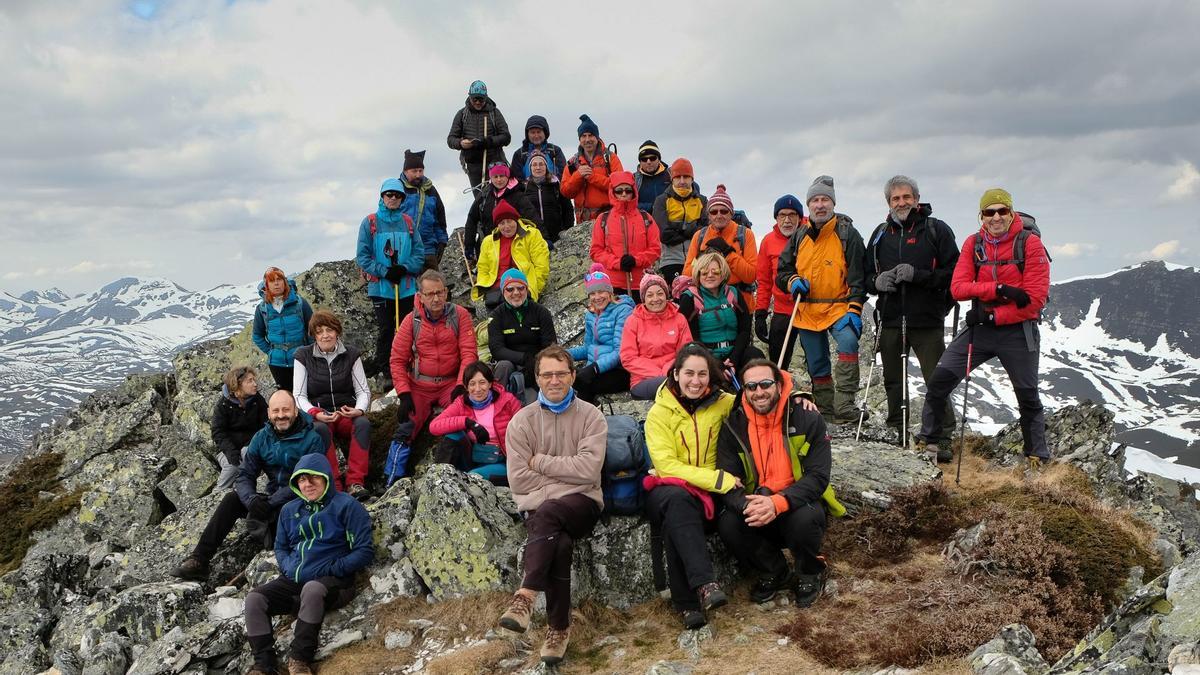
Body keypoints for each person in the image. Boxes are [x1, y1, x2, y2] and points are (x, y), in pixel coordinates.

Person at [915, 188, 1050, 469]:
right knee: (939, 381)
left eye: (1002, 211)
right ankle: (927, 441)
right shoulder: (973, 243)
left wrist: (992, 315)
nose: (996, 217)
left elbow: (1034, 301)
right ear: (982, 216)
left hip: (1016, 331)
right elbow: (958, 287)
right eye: (990, 212)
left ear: (1012, 213)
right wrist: (1000, 289)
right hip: (981, 328)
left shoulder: (1030, 244)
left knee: (1027, 396)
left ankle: (1037, 457)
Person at [498, 345, 607, 667]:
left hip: (582, 504)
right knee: (558, 544)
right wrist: (564, 478)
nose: (555, 380)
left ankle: (526, 596)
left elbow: (589, 471)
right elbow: (519, 479)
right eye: (547, 374)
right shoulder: (521, 421)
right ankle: (559, 629)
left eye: (561, 373)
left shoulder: (592, 416)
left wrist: (540, 462)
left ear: (573, 376)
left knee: (549, 513)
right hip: (540, 506)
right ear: (537, 378)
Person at [715, 359, 845, 608]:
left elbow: (818, 476)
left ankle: (809, 572)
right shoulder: (733, 426)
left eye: (765, 384)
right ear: (743, 390)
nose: (759, 392)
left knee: (805, 519)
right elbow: (726, 478)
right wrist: (748, 506)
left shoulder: (806, 416)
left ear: (779, 384)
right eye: (751, 386)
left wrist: (777, 502)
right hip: (757, 503)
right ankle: (773, 570)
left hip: (796, 502)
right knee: (729, 523)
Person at [172, 390, 326, 582]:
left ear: (295, 410)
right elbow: (245, 474)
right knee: (231, 500)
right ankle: (199, 560)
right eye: (276, 411)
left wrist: (271, 502)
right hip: (270, 500)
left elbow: (308, 480)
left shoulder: (312, 439)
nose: (280, 415)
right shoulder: (262, 438)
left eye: (286, 410)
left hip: (299, 502)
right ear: (269, 413)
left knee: (286, 512)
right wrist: (251, 499)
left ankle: (278, 549)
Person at [244, 453, 374, 675]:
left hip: (334, 582)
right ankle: (264, 665)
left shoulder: (347, 506)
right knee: (255, 599)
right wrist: (287, 567)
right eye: (301, 480)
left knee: (312, 590)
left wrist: (333, 568)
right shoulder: (288, 511)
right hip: (294, 581)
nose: (307, 484)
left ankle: (299, 661)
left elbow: (364, 551)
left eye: (313, 478)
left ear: (326, 478)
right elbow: (281, 547)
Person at [643, 343, 738, 628]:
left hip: (701, 493)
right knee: (676, 500)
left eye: (702, 374)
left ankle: (687, 606)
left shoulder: (723, 402)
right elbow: (667, 466)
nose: (695, 381)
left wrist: (796, 394)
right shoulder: (659, 413)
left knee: (678, 519)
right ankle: (706, 583)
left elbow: (760, 398)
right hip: (665, 486)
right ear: (675, 373)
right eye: (689, 374)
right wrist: (718, 480)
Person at [865, 176, 960, 453]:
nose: (901, 203)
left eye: (906, 197)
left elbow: (954, 273)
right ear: (888, 203)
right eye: (895, 199)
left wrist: (919, 276)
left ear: (917, 199)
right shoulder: (881, 234)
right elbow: (865, 275)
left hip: (927, 319)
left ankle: (941, 438)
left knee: (936, 379)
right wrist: (877, 282)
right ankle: (897, 431)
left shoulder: (936, 230)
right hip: (890, 318)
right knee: (893, 379)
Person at [775, 175, 867, 423]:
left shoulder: (848, 234)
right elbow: (782, 272)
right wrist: (792, 281)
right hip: (806, 309)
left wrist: (855, 309)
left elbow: (859, 276)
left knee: (848, 343)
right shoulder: (799, 235)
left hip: (839, 308)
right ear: (809, 205)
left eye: (825, 199)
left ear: (833, 203)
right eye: (815, 200)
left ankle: (845, 405)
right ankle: (825, 410)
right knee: (817, 361)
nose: (820, 205)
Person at [389, 270, 478, 473]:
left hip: (450, 383)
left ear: (446, 292)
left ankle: (461, 471)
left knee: (463, 418)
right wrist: (403, 393)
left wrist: (460, 386)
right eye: (429, 294)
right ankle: (392, 480)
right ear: (420, 296)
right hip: (420, 385)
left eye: (439, 292)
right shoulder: (411, 321)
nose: (436, 298)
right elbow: (397, 360)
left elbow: (469, 353)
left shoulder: (460, 315)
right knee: (405, 428)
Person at [293, 310, 372, 500]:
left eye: (329, 330)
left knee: (363, 424)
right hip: (320, 415)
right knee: (319, 430)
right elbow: (298, 395)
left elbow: (363, 391)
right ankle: (334, 485)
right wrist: (314, 412)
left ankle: (355, 482)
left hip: (346, 413)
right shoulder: (303, 356)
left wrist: (358, 410)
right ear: (314, 335)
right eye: (319, 332)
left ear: (337, 332)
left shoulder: (351, 354)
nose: (325, 335)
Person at [356, 178, 426, 377]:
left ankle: (407, 366)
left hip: (406, 286)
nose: (393, 198)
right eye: (390, 195)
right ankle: (386, 370)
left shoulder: (408, 222)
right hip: (380, 288)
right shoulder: (370, 222)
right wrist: (385, 271)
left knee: (407, 328)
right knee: (386, 329)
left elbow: (419, 252)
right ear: (382, 197)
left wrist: (404, 268)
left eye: (397, 195)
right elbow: (363, 256)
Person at [428, 361, 524, 485]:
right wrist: (468, 423)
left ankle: (462, 482)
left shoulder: (507, 401)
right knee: (453, 434)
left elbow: (526, 429)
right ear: (466, 387)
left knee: (473, 477)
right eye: (472, 384)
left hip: (503, 462)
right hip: (473, 458)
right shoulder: (461, 403)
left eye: (482, 382)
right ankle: (439, 480)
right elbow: (434, 426)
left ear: (490, 383)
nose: (477, 389)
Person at [675, 251, 765, 374]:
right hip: (704, 355)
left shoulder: (734, 293)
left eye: (715, 271)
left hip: (734, 353)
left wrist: (733, 360)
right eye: (704, 272)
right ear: (698, 274)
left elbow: (745, 329)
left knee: (755, 355)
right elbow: (690, 338)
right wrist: (717, 364)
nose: (710, 275)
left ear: (723, 273)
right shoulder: (690, 298)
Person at [588, 170, 662, 302]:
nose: (624, 194)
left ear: (634, 192)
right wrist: (618, 263)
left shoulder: (645, 218)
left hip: (642, 284)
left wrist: (636, 260)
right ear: (612, 191)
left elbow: (655, 249)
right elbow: (596, 251)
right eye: (619, 190)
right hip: (612, 285)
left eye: (628, 190)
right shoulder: (603, 219)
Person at [683, 184, 758, 310]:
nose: (719, 215)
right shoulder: (699, 236)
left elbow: (751, 275)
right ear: (709, 215)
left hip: (740, 304)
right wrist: (704, 258)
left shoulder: (745, 234)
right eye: (713, 211)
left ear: (731, 213)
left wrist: (728, 253)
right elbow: (686, 274)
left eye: (724, 211)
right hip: (707, 306)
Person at [568, 264, 635, 403]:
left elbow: (620, 351)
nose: (597, 297)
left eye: (601, 292)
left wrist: (594, 368)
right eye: (592, 293)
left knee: (581, 383)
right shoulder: (591, 315)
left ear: (610, 292)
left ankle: (581, 422)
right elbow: (587, 348)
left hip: (620, 370)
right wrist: (562, 354)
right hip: (595, 368)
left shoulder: (623, 311)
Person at [620, 274, 692, 399]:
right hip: (642, 380)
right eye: (650, 295)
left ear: (666, 295)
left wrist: (668, 370)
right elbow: (628, 358)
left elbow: (685, 352)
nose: (655, 299)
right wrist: (660, 374)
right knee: (669, 385)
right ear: (643, 298)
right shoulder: (633, 321)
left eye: (660, 293)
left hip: (675, 374)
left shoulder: (679, 319)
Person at [487, 269, 558, 396]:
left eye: (521, 288)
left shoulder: (541, 312)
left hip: (538, 361)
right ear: (503, 291)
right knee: (503, 366)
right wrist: (524, 358)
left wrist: (537, 361)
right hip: (510, 361)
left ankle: (549, 400)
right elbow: (496, 349)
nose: (516, 293)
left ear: (527, 289)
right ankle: (498, 401)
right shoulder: (496, 315)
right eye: (510, 289)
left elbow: (551, 345)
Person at [754, 195, 806, 367]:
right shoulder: (768, 241)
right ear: (776, 218)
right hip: (782, 310)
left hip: (810, 309)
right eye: (782, 215)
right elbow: (764, 281)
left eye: (792, 215)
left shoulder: (811, 235)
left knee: (815, 363)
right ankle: (779, 392)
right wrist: (760, 313)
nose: (787, 220)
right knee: (778, 361)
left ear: (800, 217)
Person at [473, 201, 550, 309]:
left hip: (522, 289)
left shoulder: (532, 235)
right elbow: (483, 268)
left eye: (509, 221)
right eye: (501, 223)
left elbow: (542, 266)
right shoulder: (488, 241)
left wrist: (534, 289)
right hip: (496, 292)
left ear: (516, 220)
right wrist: (485, 290)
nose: (506, 226)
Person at [251, 266, 313, 392]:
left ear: (285, 282)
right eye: (272, 281)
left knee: (307, 394)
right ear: (266, 285)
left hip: (302, 358)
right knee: (286, 397)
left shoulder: (300, 303)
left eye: (279, 279)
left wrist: (310, 351)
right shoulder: (262, 309)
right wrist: (271, 351)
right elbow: (257, 335)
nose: (277, 283)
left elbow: (313, 328)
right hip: (277, 363)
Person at [210, 365, 268, 490]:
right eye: (250, 381)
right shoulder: (223, 405)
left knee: (247, 454)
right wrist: (231, 452)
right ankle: (217, 495)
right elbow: (218, 432)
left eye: (254, 380)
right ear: (238, 384)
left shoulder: (257, 399)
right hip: (228, 449)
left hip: (251, 445)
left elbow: (267, 424)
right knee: (233, 465)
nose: (255, 384)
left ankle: (243, 491)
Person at [463, 163, 535, 264]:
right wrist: (469, 245)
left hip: (515, 247)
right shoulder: (485, 194)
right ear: (491, 178)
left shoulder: (518, 195)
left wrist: (544, 238)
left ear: (508, 176)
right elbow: (472, 218)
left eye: (502, 176)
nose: (499, 180)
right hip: (488, 245)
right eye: (495, 177)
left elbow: (532, 217)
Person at [447, 80, 511, 191]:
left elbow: (506, 137)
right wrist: (461, 143)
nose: (477, 102)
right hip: (473, 166)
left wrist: (489, 142)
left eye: (480, 99)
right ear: (469, 97)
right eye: (474, 99)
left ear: (486, 97)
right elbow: (451, 139)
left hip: (495, 163)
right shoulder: (462, 114)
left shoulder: (494, 113)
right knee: (479, 201)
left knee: (495, 198)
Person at [652, 158, 707, 284]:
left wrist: (676, 227)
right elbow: (664, 235)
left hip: (698, 259)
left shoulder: (702, 201)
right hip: (671, 261)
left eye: (686, 177)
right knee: (679, 296)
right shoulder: (661, 200)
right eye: (678, 177)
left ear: (692, 179)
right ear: (672, 179)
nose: (682, 181)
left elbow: (704, 234)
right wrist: (691, 228)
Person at [561, 114, 624, 224]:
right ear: (579, 139)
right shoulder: (572, 163)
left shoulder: (610, 158)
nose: (587, 139)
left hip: (609, 219)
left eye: (591, 135)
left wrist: (593, 177)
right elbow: (566, 192)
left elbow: (620, 187)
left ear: (597, 137)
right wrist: (578, 176)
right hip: (582, 222)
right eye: (583, 136)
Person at [399, 149, 449, 271]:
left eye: (420, 171)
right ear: (405, 171)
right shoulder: (396, 190)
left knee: (432, 284)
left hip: (428, 247)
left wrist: (442, 241)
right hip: (403, 247)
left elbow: (439, 219)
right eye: (414, 171)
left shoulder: (431, 190)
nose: (418, 175)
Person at [519, 150, 575, 247]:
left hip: (557, 235)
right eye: (534, 165)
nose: (538, 167)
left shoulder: (556, 185)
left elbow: (568, 209)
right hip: (533, 237)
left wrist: (568, 230)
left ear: (546, 167)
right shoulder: (524, 187)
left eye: (541, 164)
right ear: (530, 168)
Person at [510, 115, 568, 181]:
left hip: (552, 189)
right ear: (527, 134)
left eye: (539, 132)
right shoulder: (519, 154)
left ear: (545, 133)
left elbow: (563, 173)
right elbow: (516, 179)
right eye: (532, 132)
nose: (536, 135)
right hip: (527, 190)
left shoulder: (555, 151)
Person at [634, 140, 671, 213]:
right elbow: (629, 204)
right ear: (640, 162)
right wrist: (652, 206)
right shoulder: (633, 179)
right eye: (644, 159)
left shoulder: (670, 175)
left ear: (659, 159)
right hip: (644, 221)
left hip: (668, 220)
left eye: (652, 158)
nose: (648, 162)